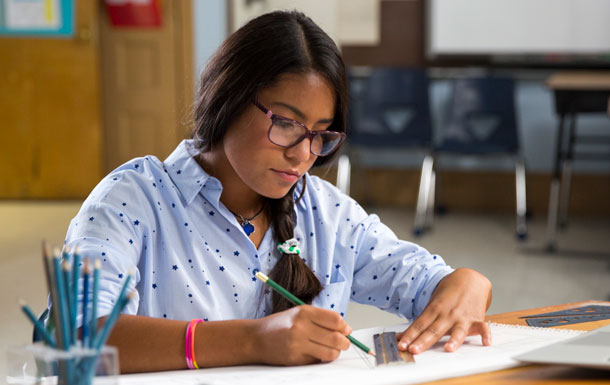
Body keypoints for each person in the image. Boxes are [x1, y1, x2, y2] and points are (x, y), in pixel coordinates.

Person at [59, 10, 491, 373]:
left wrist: (467, 282)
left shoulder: (325, 211)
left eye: (321, 134)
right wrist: (251, 341)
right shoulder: (132, 199)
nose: (303, 154)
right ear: (227, 97)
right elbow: (80, 335)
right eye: (285, 123)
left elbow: (427, 284)